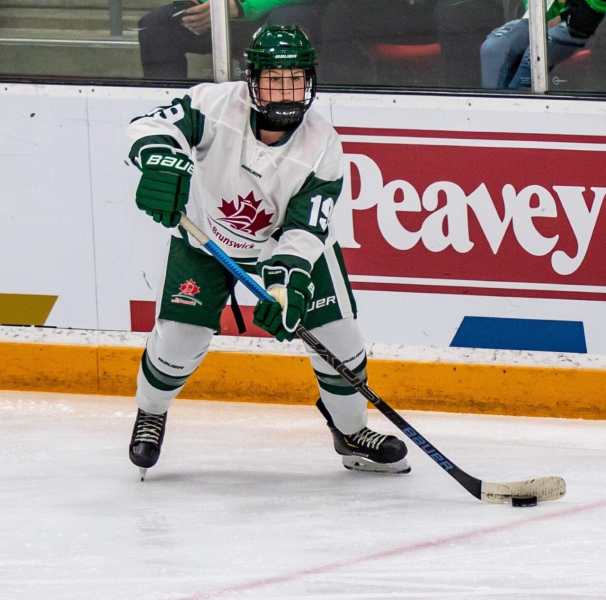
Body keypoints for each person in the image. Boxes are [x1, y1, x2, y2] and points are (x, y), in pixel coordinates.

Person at [126, 24, 411, 478]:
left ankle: (351, 431)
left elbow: (305, 230)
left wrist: (287, 285)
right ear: (251, 77)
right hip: (205, 240)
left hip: (287, 248)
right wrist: (160, 157)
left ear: (311, 80)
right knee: (180, 341)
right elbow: (153, 125)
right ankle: (151, 412)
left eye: (295, 79)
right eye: (274, 79)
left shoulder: (324, 145)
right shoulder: (214, 105)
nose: (285, 91)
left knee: (339, 338)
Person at [138, 0, 321, 79]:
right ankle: (168, 113)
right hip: (233, 12)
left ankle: (283, 107)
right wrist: (198, 6)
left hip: (288, 11)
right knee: (156, 26)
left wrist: (241, 6)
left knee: (283, 25)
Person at [480, 0, 605, 89]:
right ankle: (490, 116)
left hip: (589, 17)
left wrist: (563, 15)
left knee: (535, 54)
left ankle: (517, 113)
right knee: (493, 48)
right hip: (545, 17)